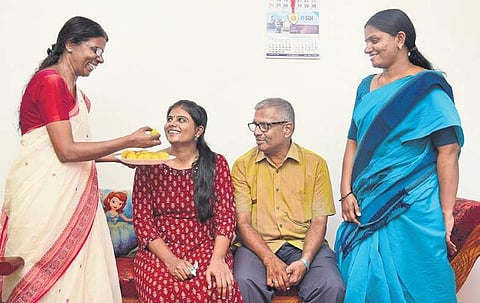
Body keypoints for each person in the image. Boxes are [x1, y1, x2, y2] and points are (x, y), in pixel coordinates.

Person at [0, 16, 161, 303]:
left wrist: (121, 157)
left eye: (102, 52)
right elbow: (66, 151)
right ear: (70, 44)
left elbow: (75, 151)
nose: (99, 59)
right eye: (95, 50)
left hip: (71, 194)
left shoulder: (76, 93)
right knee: (44, 273)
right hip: (45, 199)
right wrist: (128, 139)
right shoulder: (51, 82)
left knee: (78, 276)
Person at [334, 8, 464, 303]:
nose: (367, 48)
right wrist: (345, 192)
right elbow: (353, 141)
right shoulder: (366, 87)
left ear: (400, 39)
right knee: (362, 278)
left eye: (374, 40)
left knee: (421, 279)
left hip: (414, 204)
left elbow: (448, 151)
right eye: (366, 41)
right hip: (367, 201)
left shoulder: (427, 88)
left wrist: (446, 214)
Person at [232, 98, 345, 303]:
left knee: (331, 285)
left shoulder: (315, 164)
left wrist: (305, 261)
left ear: (287, 129)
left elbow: (319, 222)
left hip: (304, 245)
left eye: (264, 125)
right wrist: (269, 260)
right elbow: (243, 223)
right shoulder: (242, 166)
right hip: (258, 248)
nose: (257, 132)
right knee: (243, 280)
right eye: (255, 125)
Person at [132, 100, 243, 303]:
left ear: (198, 130)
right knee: (162, 290)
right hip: (161, 248)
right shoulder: (148, 163)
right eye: (169, 119)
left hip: (205, 245)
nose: (172, 124)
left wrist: (218, 259)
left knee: (214, 286)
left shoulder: (216, 163)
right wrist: (171, 260)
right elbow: (142, 222)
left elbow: (226, 218)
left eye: (181, 120)